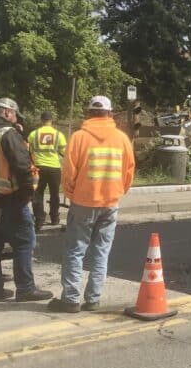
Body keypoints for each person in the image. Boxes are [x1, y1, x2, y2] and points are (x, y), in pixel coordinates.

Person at [49, 96, 135, 313]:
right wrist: (117, 193)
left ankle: (70, 300)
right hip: (110, 203)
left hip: (83, 203)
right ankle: (93, 299)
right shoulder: (122, 139)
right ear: (110, 113)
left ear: (88, 113)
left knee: (75, 251)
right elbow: (129, 172)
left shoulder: (78, 138)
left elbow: (68, 173)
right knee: (101, 252)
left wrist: (72, 194)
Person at [0, 98, 53, 302]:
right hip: (9, 199)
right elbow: (23, 168)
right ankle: (25, 289)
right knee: (24, 242)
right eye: (14, 115)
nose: (15, 120)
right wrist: (27, 196)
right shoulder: (7, 134)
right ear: (8, 113)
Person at [27, 110, 67, 230]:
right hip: (54, 167)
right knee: (55, 194)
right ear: (51, 120)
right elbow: (65, 152)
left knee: (37, 194)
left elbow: (28, 150)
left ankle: (39, 220)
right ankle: (54, 218)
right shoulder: (58, 134)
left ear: (41, 120)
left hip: (38, 167)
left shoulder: (33, 134)